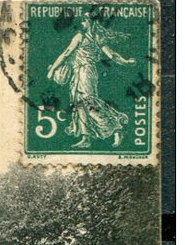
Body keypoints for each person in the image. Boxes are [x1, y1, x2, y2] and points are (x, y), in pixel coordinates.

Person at [46, 15, 136, 149]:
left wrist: (52, 70)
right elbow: (112, 55)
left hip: (86, 72)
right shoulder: (92, 37)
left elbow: (66, 54)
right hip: (79, 72)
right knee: (79, 103)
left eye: (84, 20)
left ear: (90, 22)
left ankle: (116, 128)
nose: (81, 23)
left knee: (88, 101)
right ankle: (86, 137)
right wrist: (126, 61)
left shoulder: (83, 37)